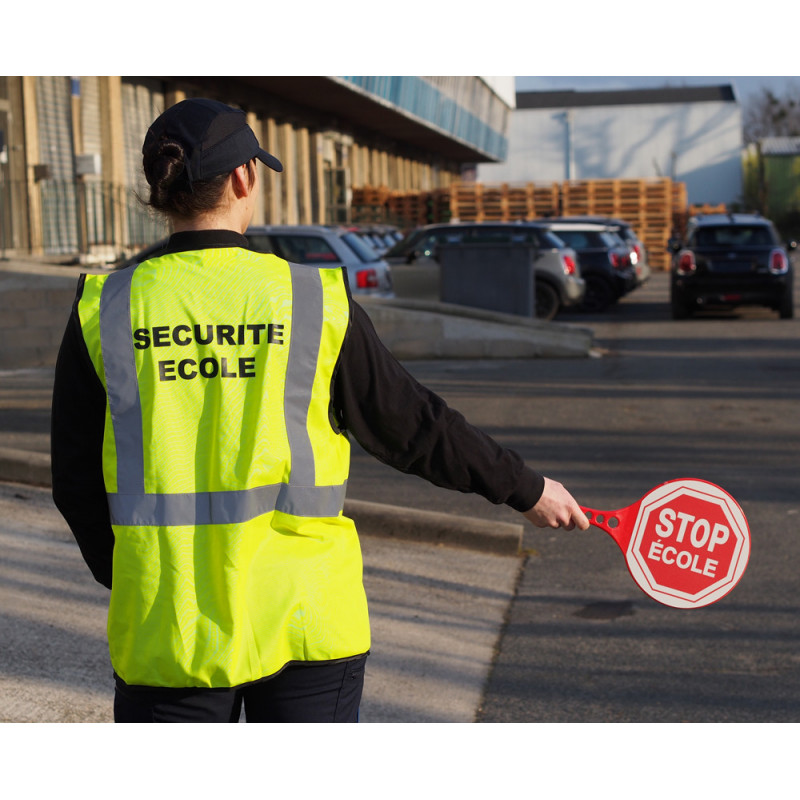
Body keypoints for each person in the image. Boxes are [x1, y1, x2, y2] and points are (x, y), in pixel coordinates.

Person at [50, 97, 589, 724]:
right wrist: (526, 489)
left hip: (169, 624)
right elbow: (414, 427)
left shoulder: (106, 307)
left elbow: (76, 480)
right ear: (244, 178)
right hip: (306, 616)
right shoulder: (310, 300)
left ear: (162, 191)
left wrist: (139, 580)